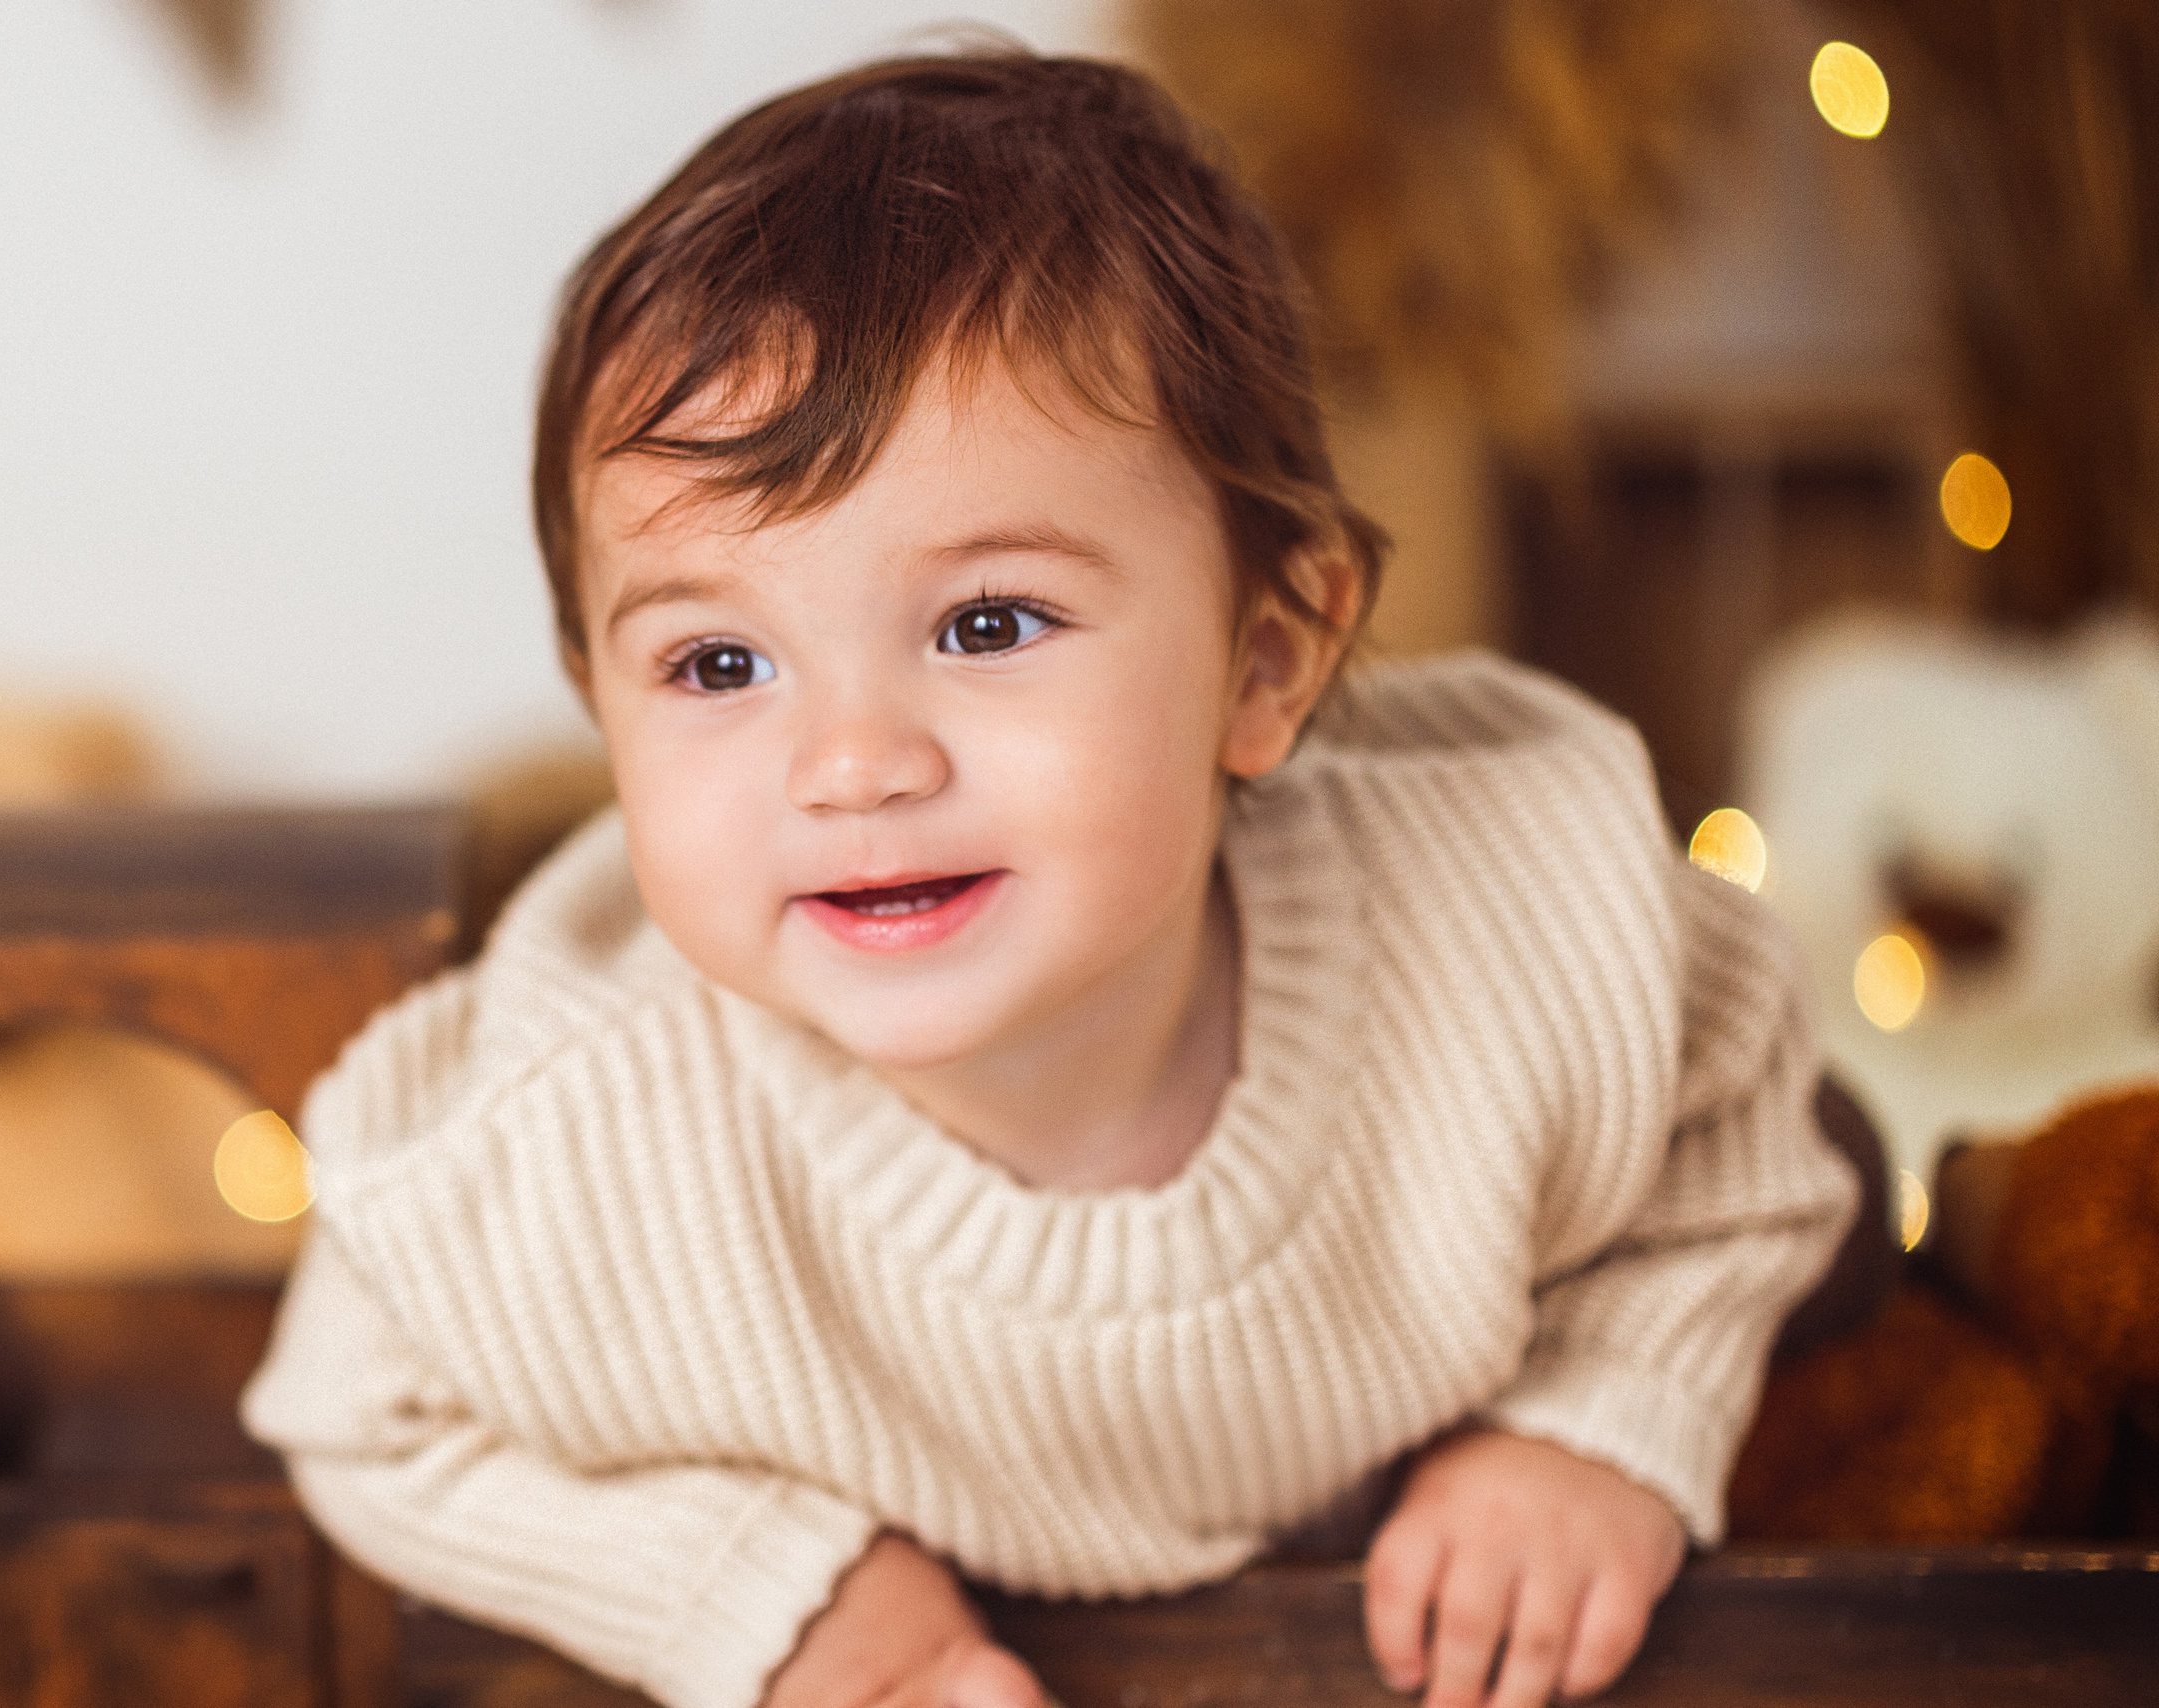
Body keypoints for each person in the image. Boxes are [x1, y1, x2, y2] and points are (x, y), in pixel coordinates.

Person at [242, 48, 1857, 1708]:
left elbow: (1743, 1131)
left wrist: (1594, 1424)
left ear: (1267, 662)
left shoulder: (1504, 942)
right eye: (719, 665)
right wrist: (773, 1596)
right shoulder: (590, 1135)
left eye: (987, 625)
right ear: (599, 695)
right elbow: (353, 1407)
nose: (852, 763)